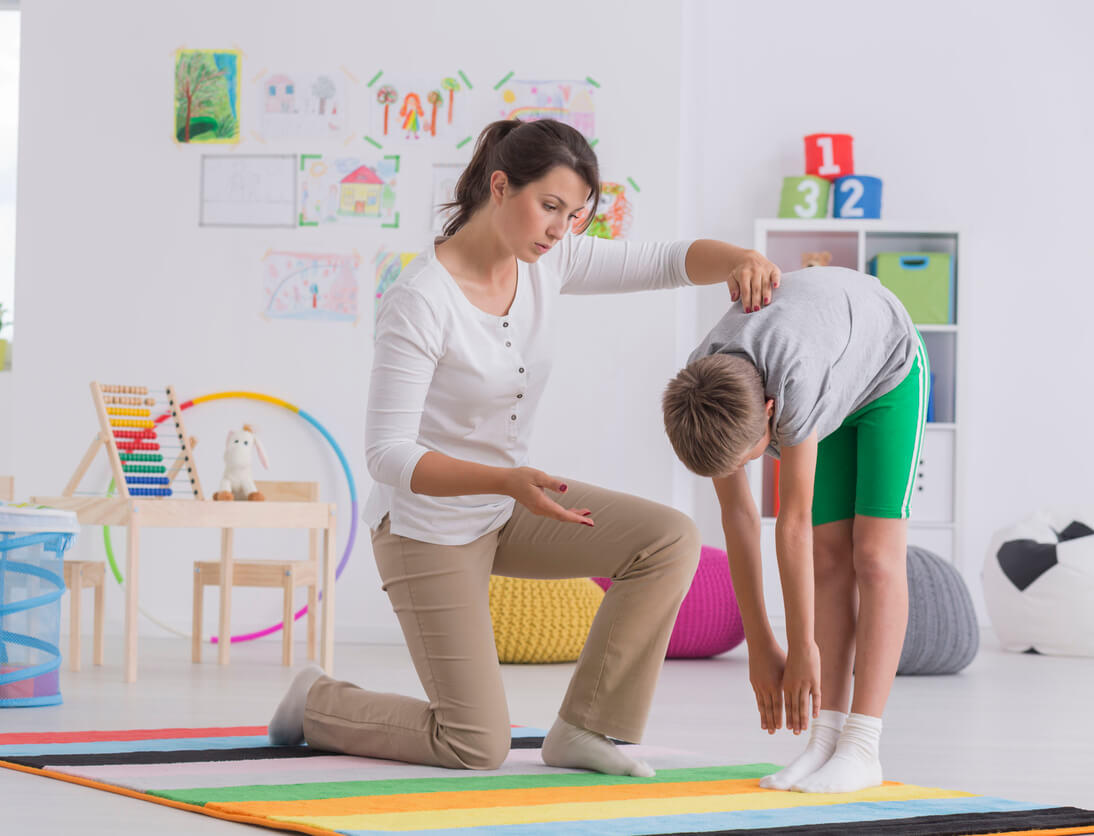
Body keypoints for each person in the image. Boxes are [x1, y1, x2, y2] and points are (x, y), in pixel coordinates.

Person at [267, 117, 782, 777]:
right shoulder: (420, 301)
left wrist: (737, 259)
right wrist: (505, 482)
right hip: (426, 530)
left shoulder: (550, 261)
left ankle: (586, 729)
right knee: (474, 744)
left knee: (669, 540)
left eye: (573, 215)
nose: (560, 229)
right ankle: (317, 702)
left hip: (508, 504)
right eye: (550, 207)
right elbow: (387, 455)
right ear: (501, 186)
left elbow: (665, 260)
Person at [662, 265, 926, 793]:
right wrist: (761, 643)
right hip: (830, 362)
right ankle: (826, 738)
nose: (743, 469)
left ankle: (862, 745)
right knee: (829, 559)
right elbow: (738, 518)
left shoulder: (795, 382)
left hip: (886, 369)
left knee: (872, 556)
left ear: (770, 412)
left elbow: (792, 521)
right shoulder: (703, 387)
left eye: (753, 454)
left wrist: (802, 644)